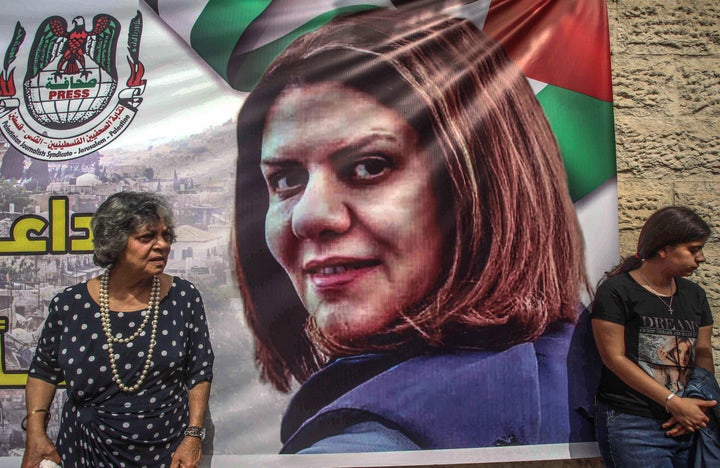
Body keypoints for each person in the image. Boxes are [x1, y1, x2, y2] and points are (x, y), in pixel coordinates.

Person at [234, 4, 592, 453]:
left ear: (484, 186)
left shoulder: (355, 452)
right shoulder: (598, 368)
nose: (309, 217)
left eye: (369, 166)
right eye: (286, 180)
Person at [22, 191, 214, 467]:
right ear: (115, 242)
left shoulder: (183, 298)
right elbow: (42, 371)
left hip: (165, 454)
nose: (162, 245)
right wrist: (36, 433)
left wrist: (193, 436)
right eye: (147, 237)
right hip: (84, 451)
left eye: (166, 235)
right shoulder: (70, 305)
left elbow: (199, 371)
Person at [591, 206, 717, 467]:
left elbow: (703, 351)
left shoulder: (694, 294)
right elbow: (614, 358)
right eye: (693, 249)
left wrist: (693, 403)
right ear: (663, 249)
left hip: (687, 421)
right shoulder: (617, 291)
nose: (701, 258)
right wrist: (672, 402)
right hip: (634, 423)